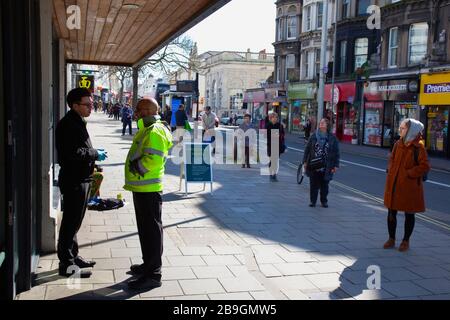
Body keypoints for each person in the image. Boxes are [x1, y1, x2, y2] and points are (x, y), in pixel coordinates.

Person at [55, 87, 108, 277]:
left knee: (75, 221)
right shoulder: (68, 124)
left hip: (81, 178)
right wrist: (95, 154)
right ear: (75, 105)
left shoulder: (77, 121)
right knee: (70, 223)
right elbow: (73, 153)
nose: (91, 107)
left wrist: (93, 160)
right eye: (88, 104)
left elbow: (80, 149)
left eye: (92, 103)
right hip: (73, 180)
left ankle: (73, 256)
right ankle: (67, 265)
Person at [124, 98, 173, 290]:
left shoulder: (155, 130)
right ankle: (148, 265)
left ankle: (153, 274)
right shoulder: (149, 128)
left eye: (138, 109)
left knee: (151, 231)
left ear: (146, 111)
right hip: (143, 187)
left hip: (148, 188)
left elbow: (152, 160)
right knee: (146, 230)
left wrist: (136, 168)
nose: (135, 112)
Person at [383, 119, 430, 252]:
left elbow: (425, 165)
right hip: (394, 184)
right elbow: (391, 158)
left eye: (403, 128)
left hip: (410, 187)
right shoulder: (398, 143)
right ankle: (391, 238)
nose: (400, 130)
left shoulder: (418, 147)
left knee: (409, 214)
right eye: (400, 127)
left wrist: (409, 173)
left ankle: (405, 241)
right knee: (391, 212)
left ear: (410, 130)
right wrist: (391, 170)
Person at [303, 118, 340, 207]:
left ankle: (324, 201)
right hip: (314, 164)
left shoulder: (332, 138)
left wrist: (336, 165)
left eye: (324, 123)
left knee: (325, 185)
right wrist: (304, 161)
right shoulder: (313, 136)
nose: (321, 124)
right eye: (320, 123)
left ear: (327, 125)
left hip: (327, 165)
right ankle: (313, 201)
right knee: (313, 184)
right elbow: (307, 149)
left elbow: (337, 152)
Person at [266, 112, 285, 181]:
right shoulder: (268, 126)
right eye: (273, 117)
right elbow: (266, 136)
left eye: (276, 117)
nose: (275, 119)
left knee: (276, 161)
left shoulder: (280, 125)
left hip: (278, 145)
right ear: (270, 118)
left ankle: (274, 174)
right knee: (272, 160)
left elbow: (282, 136)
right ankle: (271, 174)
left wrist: (282, 144)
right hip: (271, 145)